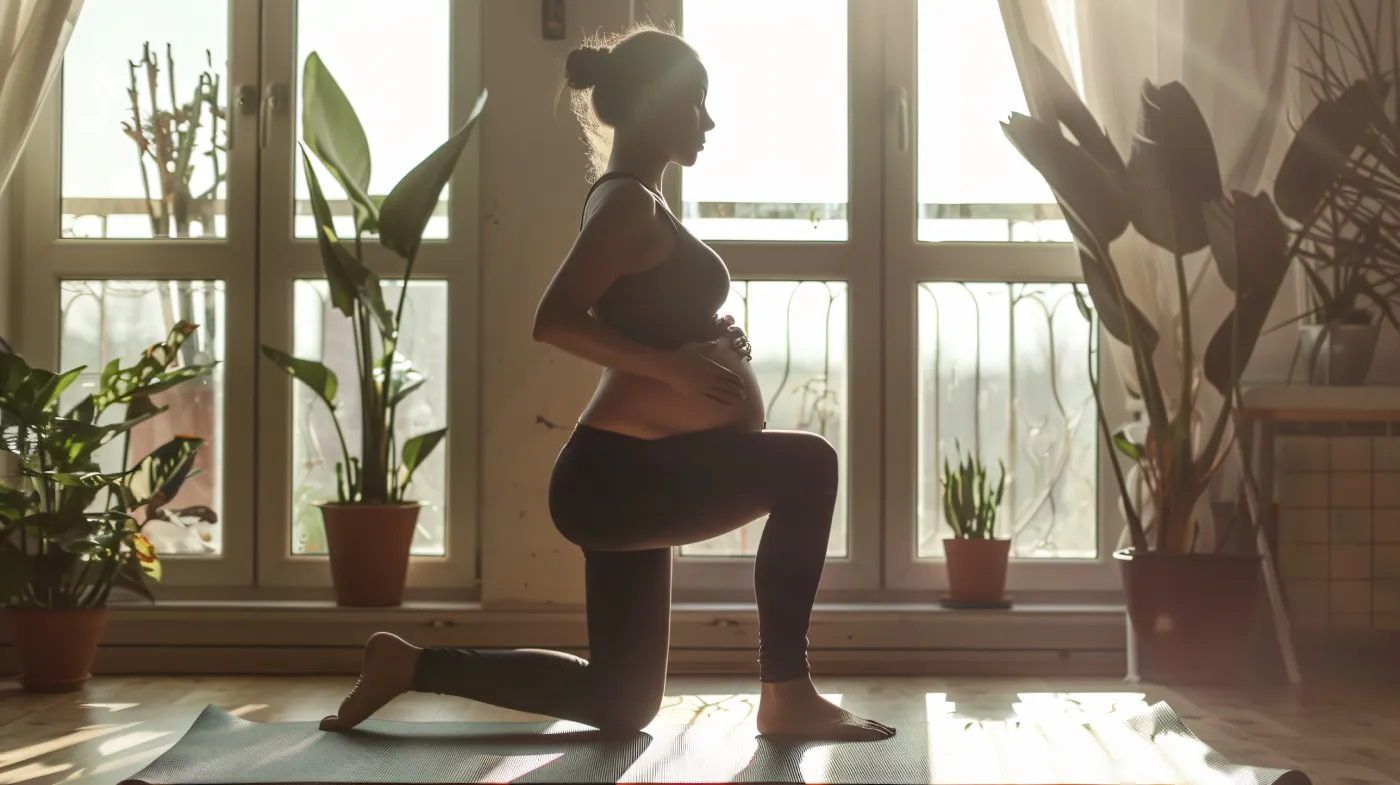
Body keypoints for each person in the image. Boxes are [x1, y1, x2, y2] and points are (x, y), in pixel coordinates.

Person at [319, 25, 895, 743]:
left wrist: (706, 332)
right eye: (696, 104)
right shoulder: (626, 204)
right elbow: (553, 319)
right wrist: (678, 364)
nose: (709, 122)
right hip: (621, 476)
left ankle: (409, 666)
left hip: (626, 475)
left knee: (622, 700)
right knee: (810, 465)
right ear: (656, 105)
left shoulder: (635, 198)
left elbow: (634, 312)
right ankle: (788, 692)